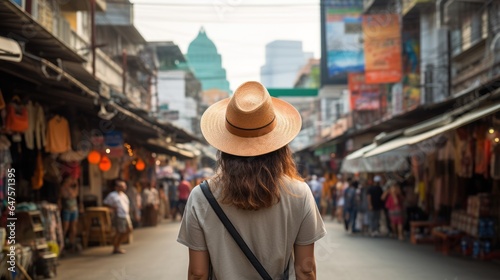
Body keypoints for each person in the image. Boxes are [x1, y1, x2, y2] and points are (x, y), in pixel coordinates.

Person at [177, 81, 326, 279]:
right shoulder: (299, 193)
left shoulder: (201, 196)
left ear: (225, 145)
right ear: (280, 146)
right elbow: (306, 270)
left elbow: (198, 273)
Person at [103, 179, 132, 254]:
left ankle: (117, 244)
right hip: (119, 215)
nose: (122, 188)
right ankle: (116, 246)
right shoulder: (112, 195)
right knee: (120, 231)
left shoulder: (124, 195)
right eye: (120, 186)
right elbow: (105, 203)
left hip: (125, 215)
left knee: (128, 230)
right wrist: (111, 209)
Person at [59, 175, 81, 252]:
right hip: (67, 208)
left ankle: (72, 243)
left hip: (74, 208)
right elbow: (67, 195)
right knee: (65, 227)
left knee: (73, 227)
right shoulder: (63, 188)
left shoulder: (74, 188)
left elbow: (75, 194)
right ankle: (62, 243)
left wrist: (76, 184)